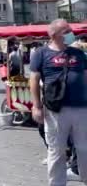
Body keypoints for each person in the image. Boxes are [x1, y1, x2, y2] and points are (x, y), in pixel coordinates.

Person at [30, 19, 87, 185]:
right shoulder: (41, 53)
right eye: (66, 30)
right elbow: (33, 79)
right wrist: (36, 106)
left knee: (84, 148)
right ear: (54, 35)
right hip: (56, 110)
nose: (71, 33)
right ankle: (57, 183)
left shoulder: (78, 54)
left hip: (81, 108)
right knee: (57, 150)